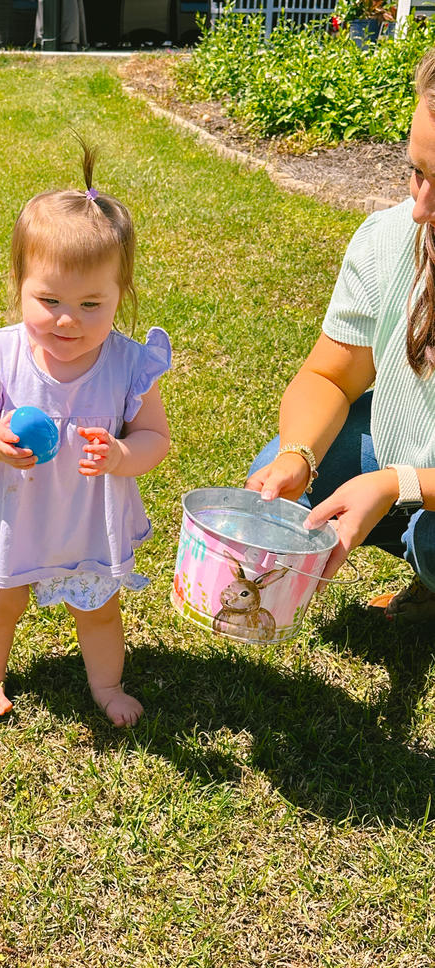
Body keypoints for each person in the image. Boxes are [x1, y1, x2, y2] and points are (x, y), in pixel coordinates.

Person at [0, 139, 171, 726]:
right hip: (11, 513)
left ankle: (107, 687)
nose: (68, 320)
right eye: (49, 300)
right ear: (19, 284)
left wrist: (121, 453)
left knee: (100, 612)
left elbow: (155, 439)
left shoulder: (127, 364)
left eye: (92, 304)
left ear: (123, 294)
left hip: (85, 514)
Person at [245, 48, 435, 622]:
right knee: (281, 461)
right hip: (414, 463)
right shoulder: (388, 240)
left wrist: (395, 484)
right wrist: (300, 454)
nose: (421, 207)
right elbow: (330, 374)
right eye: (418, 172)